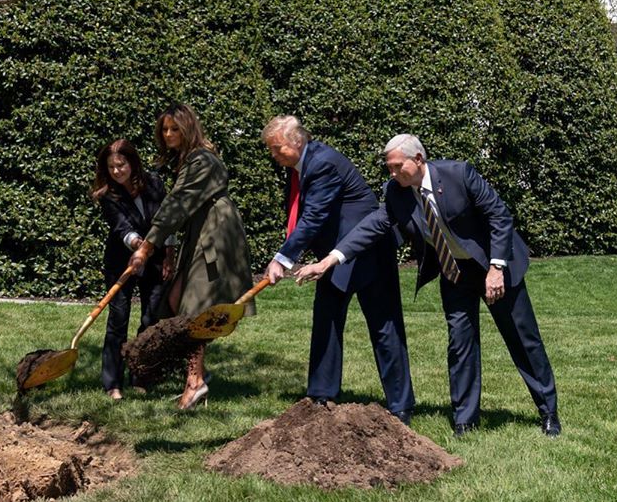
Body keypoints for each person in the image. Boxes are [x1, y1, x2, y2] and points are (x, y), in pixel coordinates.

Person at [295, 134, 561, 437]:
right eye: (389, 169)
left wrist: (497, 268)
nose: (393, 174)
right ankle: (465, 421)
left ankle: (548, 412)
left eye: (397, 167)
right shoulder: (397, 193)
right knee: (460, 343)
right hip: (455, 272)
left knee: (522, 339)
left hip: (496, 267)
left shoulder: (459, 174)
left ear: (418, 159)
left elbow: (499, 215)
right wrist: (329, 260)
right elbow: (371, 227)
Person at [262, 116, 415, 424]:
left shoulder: (322, 164)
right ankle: (320, 397)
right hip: (332, 256)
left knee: (384, 328)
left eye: (277, 148)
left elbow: (314, 216)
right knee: (326, 321)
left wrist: (282, 259)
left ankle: (400, 406)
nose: (274, 155)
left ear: (297, 142)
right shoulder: (301, 167)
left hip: (368, 252)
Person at [129, 103, 255, 410]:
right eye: (165, 130)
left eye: (175, 129)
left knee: (193, 307)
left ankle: (195, 382)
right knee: (175, 300)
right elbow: (179, 206)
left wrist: (147, 247)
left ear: (188, 129)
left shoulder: (202, 159)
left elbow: (178, 203)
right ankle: (198, 372)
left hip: (215, 233)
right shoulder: (187, 160)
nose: (169, 134)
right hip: (200, 230)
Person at [91, 139, 168, 401]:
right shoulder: (108, 195)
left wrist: (167, 254)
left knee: (150, 318)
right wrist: (138, 248)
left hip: (156, 260)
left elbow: (166, 220)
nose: (116, 171)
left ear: (132, 162)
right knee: (118, 320)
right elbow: (122, 227)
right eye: (111, 167)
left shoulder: (154, 184)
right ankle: (112, 383)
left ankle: (141, 376)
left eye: (120, 165)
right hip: (120, 262)